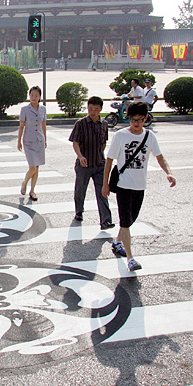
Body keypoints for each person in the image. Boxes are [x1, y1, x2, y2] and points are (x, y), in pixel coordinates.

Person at [102, 101, 176, 271]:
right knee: (126, 222)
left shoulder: (150, 136)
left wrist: (169, 172)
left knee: (130, 220)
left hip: (140, 187)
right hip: (123, 186)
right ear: (128, 119)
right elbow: (109, 161)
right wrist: (105, 184)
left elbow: (160, 157)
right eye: (134, 120)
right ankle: (130, 258)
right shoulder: (121, 136)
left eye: (141, 120)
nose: (137, 124)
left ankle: (117, 242)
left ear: (146, 119)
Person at [69, 96, 114, 230]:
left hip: (100, 164)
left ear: (100, 109)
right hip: (84, 165)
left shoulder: (104, 124)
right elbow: (75, 142)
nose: (92, 112)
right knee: (80, 190)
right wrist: (80, 156)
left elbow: (104, 142)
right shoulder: (80, 123)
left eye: (95, 109)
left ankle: (105, 220)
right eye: (90, 109)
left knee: (102, 193)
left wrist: (99, 154)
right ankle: (79, 211)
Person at [17, 85, 47, 200]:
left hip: (39, 141)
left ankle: (32, 191)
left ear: (40, 97)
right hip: (28, 141)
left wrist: (45, 139)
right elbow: (21, 126)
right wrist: (19, 141)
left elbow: (43, 124)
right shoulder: (24, 109)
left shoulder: (43, 109)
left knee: (37, 168)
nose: (34, 97)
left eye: (36, 96)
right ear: (29, 96)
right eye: (32, 95)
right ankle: (24, 182)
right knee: (32, 168)